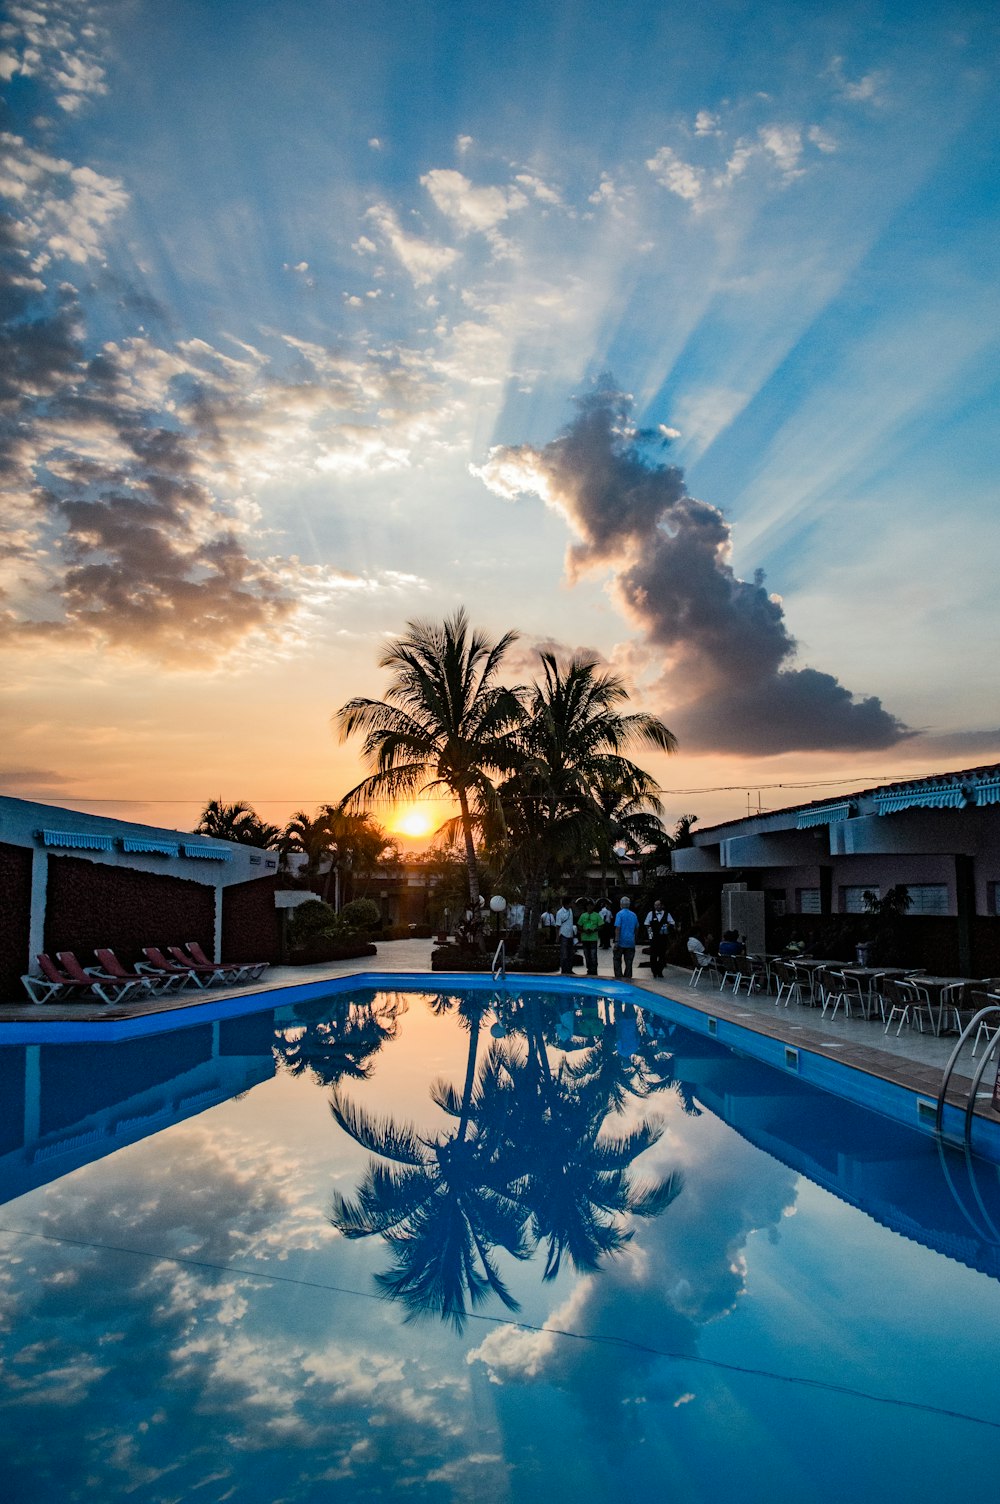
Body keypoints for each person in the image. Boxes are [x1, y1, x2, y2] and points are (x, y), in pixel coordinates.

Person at [644, 898, 675, 978]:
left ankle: (660, 971)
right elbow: (647, 925)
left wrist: (668, 926)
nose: (656, 906)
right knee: (653, 955)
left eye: (658, 905)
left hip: (663, 938)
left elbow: (672, 923)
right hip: (654, 938)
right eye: (655, 905)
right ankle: (654, 971)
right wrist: (650, 936)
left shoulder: (667, 914)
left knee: (662, 955)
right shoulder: (651, 914)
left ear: (662, 906)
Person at [613, 896, 639, 978]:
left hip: (621, 942)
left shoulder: (619, 914)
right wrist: (635, 939)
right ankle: (628, 979)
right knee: (629, 963)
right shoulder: (634, 915)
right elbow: (637, 928)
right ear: (629, 905)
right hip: (630, 942)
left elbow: (618, 928)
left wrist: (616, 941)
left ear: (621, 904)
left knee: (617, 960)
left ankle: (619, 977)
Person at [577, 899, 602, 976]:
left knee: (593, 955)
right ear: (586, 907)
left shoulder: (597, 915)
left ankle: (594, 969)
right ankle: (589, 969)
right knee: (587, 955)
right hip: (585, 938)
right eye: (588, 906)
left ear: (593, 907)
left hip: (593, 938)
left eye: (591, 906)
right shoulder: (583, 915)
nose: (589, 907)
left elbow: (601, 926)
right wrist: (584, 930)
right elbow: (579, 926)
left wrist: (594, 930)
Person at [554, 896, 576, 974]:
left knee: (570, 954)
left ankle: (569, 969)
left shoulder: (570, 911)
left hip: (570, 935)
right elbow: (557, 926)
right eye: (571, 902)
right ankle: (564, 970)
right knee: (564, 954)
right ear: (568, 903)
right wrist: (557, 937)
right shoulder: (560, 912)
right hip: (563, 935)